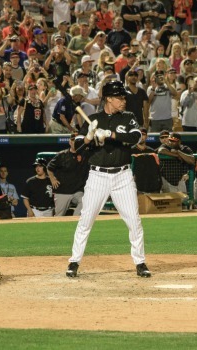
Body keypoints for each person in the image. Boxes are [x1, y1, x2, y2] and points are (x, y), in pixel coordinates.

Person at [65, 80, 150, 278]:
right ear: (109, 99)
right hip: (97, 176)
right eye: (120, 97)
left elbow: (135, 138)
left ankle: (140, 262)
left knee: (134, 221)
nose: (123, 101)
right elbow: (76, 148)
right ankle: (74, 262)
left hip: (123, 176)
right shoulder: (92, 119)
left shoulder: (128, 117)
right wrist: (89, 136)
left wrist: (109, 134)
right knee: (86, 220)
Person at [47, 134, 89, 216]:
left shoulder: (85, 154)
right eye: (73, 140)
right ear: (70, 142)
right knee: (59, 216)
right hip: (63, 190)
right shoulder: (62, 155)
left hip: (78, 190)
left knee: (86, 200)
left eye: (78, 141)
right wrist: (52, 179)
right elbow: (49, 167)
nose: (75, 142)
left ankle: (75, 220)